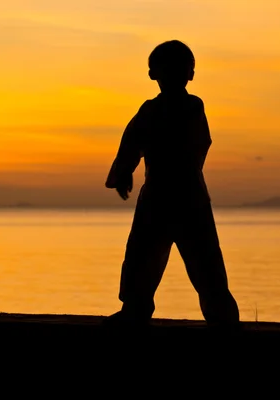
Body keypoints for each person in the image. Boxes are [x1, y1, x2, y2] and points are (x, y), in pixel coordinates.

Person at [103, 40, 240, 329]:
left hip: (186, 196)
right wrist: (125, 171)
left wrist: (126, 170)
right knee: (142, 259)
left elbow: (196, 143)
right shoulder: (151, 110)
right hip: (162, 197)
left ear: (190, 74)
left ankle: (222, 317)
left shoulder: (192, 106)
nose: (173, 75)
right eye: (166, 69)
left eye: (180, 69)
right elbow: (132, 140)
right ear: (153, 74)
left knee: (206, 264)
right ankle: (135, 309)